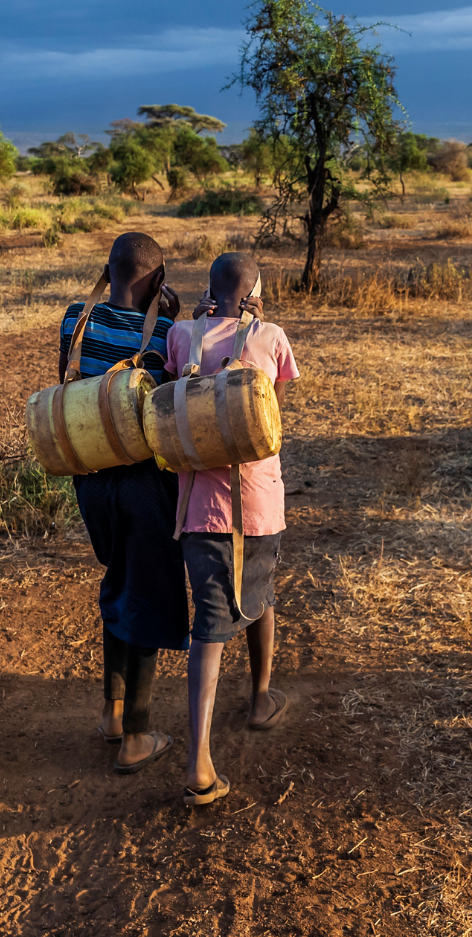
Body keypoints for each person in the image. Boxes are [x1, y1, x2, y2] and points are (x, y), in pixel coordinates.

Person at [163, 251, 300, 806]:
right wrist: (253, 326)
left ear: (211, 288)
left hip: (198, 508)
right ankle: (216, 742)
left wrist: (200, 323)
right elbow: (273, 418)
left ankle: (227, 725)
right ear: (255, 292)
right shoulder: (271, 337)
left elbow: (176, 395)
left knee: (213, 612)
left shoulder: (179, 335)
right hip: (258, 505)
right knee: (245, 603)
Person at [58, 231, 188, 775]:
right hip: (143, 482)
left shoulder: (75, 319)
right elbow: (172, 399)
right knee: (148, 593)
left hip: (90, 479)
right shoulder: (165, 330)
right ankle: (137, 733)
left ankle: (112, 712)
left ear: (106, 273)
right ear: (158, 280)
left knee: (119, 580)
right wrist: (171, 320)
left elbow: (73, 383)